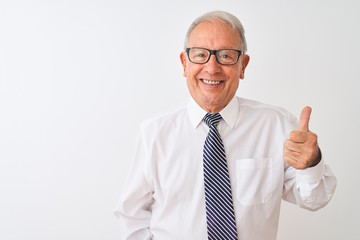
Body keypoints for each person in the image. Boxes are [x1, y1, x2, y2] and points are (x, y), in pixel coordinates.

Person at [114, 11, 337, 240]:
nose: (212, 68)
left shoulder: (276, 125)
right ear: (184, 63)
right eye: (200, 55)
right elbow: (133, 216)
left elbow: (316, 198)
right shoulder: (155, 133)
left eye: (226, 56)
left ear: (243, 65)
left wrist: (312, 162)